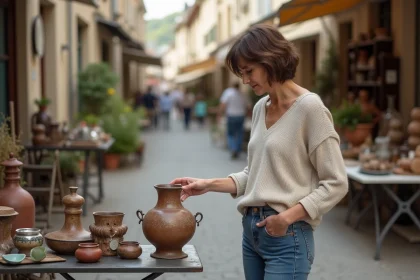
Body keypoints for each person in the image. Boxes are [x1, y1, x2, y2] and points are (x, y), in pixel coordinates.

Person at [170, 24, 348, 280]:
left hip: (289, 236)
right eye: (241, 73)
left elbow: (336, 183)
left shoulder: (311, 108)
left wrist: (286, 217)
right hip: (251, 234)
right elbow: (254, 173)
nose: (245, 80)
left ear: (270, 60)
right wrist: (207, 184)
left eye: (249, 71)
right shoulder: (259, 108)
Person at [219, 82, 250, 159]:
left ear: (232, 86)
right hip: (241, 115)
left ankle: (233, 149)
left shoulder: (228, 92)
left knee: (231, 133)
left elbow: (223, 104)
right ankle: (238, 149)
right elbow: (248, 106)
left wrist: (220, 113)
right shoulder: (243, 94)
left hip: (231, 115)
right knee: (239, 133)